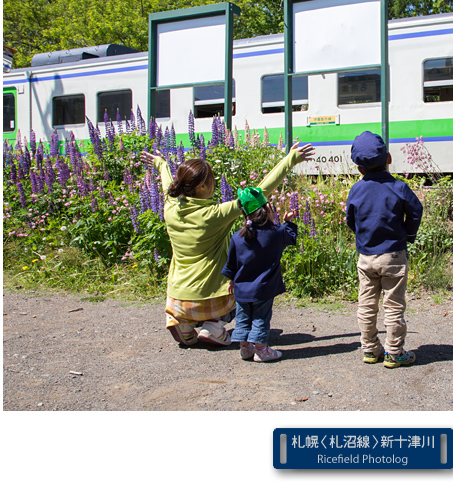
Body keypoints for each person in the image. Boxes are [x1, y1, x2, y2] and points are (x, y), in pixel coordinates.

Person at [140, 141, 314, 347]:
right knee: (239, 291)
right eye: (211, 179)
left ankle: (185, 327)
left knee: (186, 307)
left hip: (177, 298)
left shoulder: (170, 207)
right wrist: (290, 160)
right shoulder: (214, 214)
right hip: (209, 298)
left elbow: (167, 182)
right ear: (202, 186)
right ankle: (213, 326)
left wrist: (161, 164)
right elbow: (259, 192)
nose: (214, 182)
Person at [346, 131, 423, 368]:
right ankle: (394, 352)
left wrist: (363, 237)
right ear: (388, 158)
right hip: (394, 257)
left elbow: (351, 219)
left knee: (367, 306)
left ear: (359, 169)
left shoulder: (356, 190)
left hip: (366, 258)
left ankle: (370, 350)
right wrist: (408, 234)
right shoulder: (399, 187)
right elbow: (416, 211)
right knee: (394, 305)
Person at [221, 187, 297, 362]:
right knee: (261, 317)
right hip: (263, 288)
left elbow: (232, 262)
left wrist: (232, 280)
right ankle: (261, 350)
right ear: (268, 210)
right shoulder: (275, 233)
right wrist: (288, 222)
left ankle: (245, 348)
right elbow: (290, 236)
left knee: (243, 316)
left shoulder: (237, 237)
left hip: (241, 288)